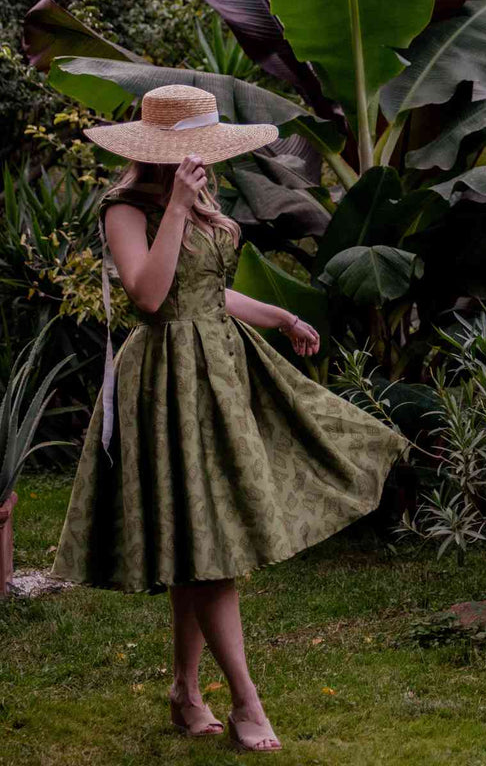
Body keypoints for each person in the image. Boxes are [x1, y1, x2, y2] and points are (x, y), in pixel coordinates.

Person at [50, 84, 410, 753]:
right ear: (165, 150)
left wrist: (280, 315)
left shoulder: (201, 198)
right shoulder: (126, 209)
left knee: (203, 538)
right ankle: (247, 702)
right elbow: (152, 296)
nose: (204, 163)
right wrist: (180, 210)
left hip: (217, 370)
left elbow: (208, 289)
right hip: (165, 381)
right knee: (209, 541)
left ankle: (187, 692)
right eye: (196, 151)